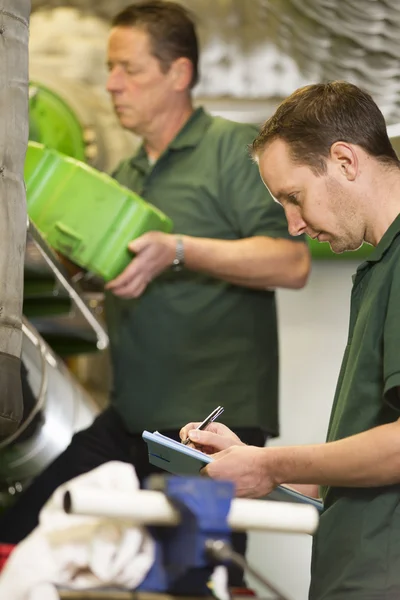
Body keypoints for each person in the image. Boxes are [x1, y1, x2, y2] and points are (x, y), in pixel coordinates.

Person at [0, 1, 309, 585]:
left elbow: (292, 262)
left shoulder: (234, 152)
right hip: (131, 419)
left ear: (179, 73)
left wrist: (180, 249)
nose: (113, 85)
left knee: (197, 577)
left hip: (210, 429)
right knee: (20, 529)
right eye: (109, 70)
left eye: (129, 69)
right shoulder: (122, 180)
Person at [180, 80, 400, 599]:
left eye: (293, 198)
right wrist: (248, 461)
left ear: (345, 160)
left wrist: (270, 463)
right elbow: (365, 462)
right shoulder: (379, 269)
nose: (294, 226)